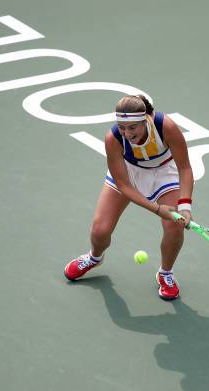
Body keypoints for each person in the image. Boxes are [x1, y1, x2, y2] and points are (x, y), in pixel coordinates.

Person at [65, 95, 194, 300]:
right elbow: (124, 186)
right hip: (128, 173)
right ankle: (94, 257)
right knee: (100, 231)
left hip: (163, 173)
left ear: (147, 119)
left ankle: (165, 273)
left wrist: (185, 205)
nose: (126, 133)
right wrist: (158, 209)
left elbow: (185, 168)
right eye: (122, 127)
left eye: (132, 127)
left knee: (174, 225)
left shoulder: (165, 126)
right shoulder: (113, 138)